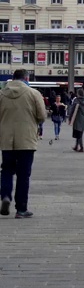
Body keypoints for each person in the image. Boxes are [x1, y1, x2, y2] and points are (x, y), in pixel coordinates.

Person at [0, 69, 46, 219]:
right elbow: (42, 116)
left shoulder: (1, 94)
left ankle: (5, 195)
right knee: (23, 174)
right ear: (26, 78)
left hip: (6, 140)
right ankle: (21, 209)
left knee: (6, 170)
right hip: (26, 140)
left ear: (12, 78)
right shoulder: (33, 93)